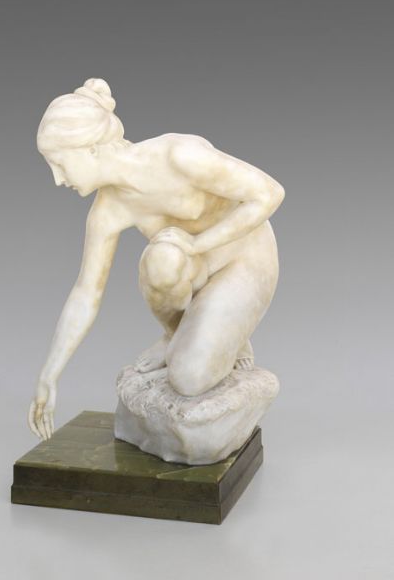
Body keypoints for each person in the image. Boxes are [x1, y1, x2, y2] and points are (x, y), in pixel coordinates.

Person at [28, 78, 284, 441]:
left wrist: (197, 243)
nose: (57, 179)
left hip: (244, 258)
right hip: (190, 267)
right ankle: (177, 333)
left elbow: (269, 193)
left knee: (189, 378)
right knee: (161, 258)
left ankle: (224, 333)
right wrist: (49, 375)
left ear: (90, 149)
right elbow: (86, 293)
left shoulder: (177, 156)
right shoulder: (108, 210)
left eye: (59, 164)